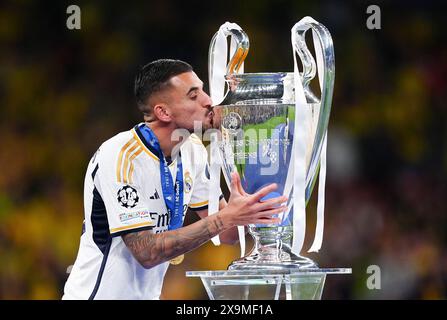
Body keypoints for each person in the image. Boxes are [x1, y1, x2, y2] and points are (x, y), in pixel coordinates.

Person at [62, 59, 287, 300]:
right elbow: (147, 252)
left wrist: (245, 198)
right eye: (193, 95)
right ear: (163, 111)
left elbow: (228, 235)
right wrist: (225, 218)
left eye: (202, 90)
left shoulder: (193, 150)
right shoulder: (119, 156)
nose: (208, 100)